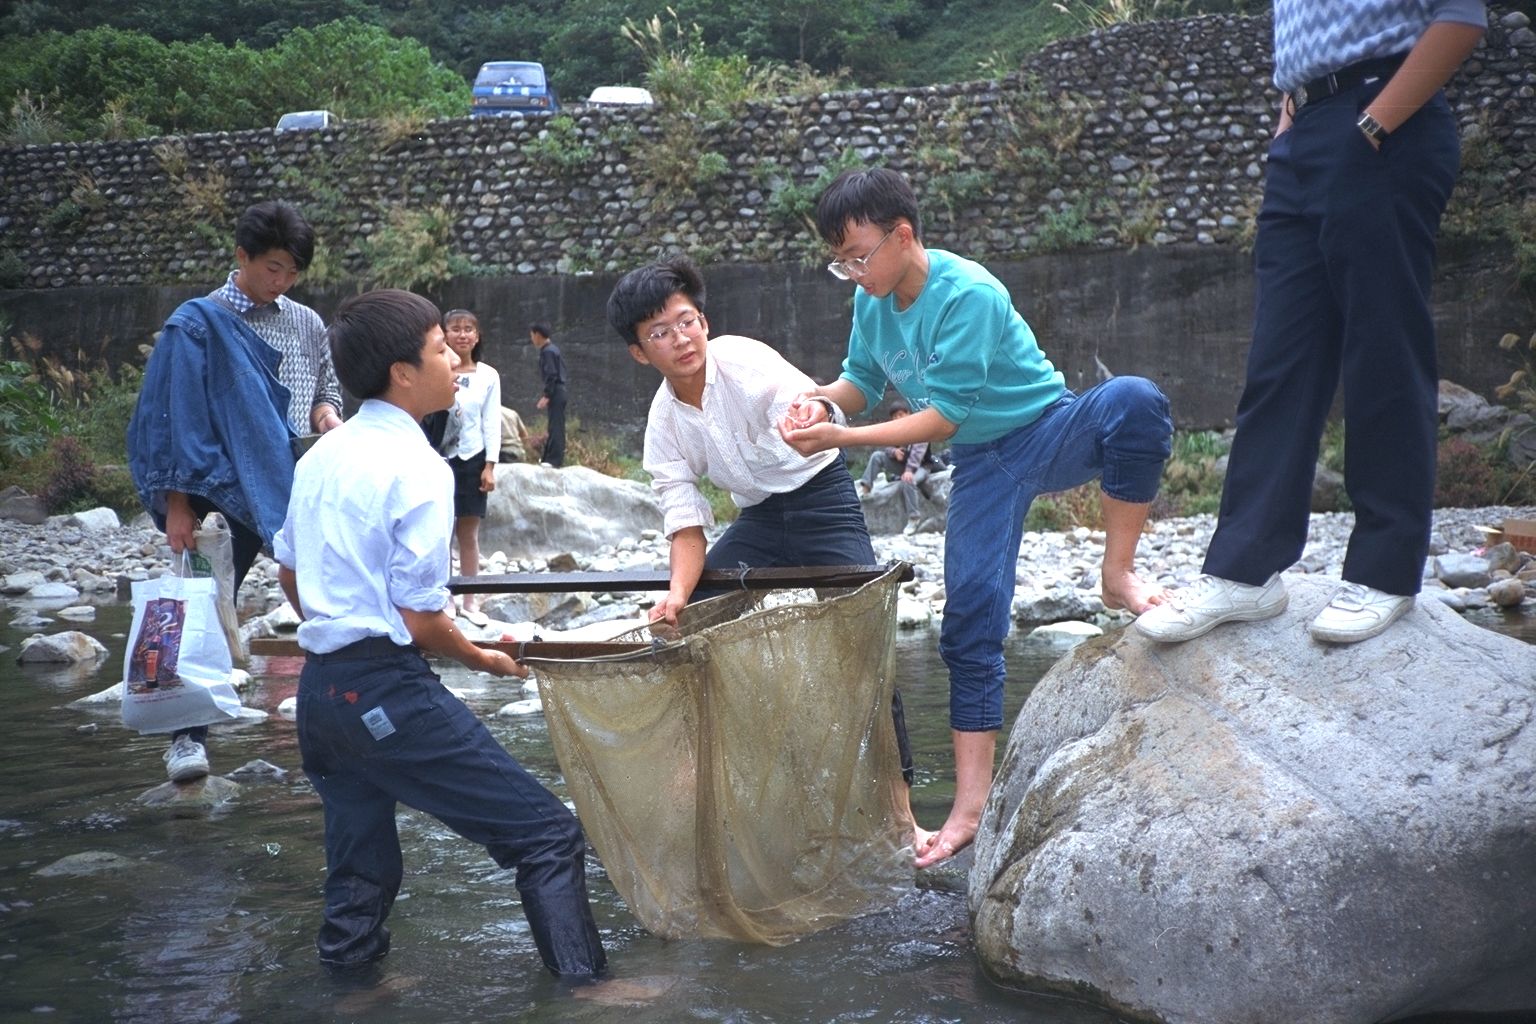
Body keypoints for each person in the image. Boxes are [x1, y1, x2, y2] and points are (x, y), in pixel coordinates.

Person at [780, 167, 1173, 868]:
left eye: (859, 255)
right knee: (971, 618)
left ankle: (1118, 575)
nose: (852, 271)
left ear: (904, 235)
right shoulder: (871, 303)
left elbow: (942, 416)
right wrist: (821, 402)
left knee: (1135, 402)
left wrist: (840, 440)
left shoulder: (970, 293)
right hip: (985, 462)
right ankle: (969, 807)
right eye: (840, 262)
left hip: (1048, 428)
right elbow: (862, 383)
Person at [272, 288, 608, 978]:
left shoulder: (321, 456)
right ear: (402, 371)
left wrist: (340, 632)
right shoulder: (419, 468)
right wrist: (483, 658)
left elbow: (287, 573)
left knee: (361, 863)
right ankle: (585, 993)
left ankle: (353, 991)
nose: (456, 359)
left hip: (322, 695)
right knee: (546, 836)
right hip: (382, 692)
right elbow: (422, 620)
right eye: (438, 348)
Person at [1136, 2, 1487, 647]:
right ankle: (1245, 569)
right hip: (1308, 131)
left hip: (1383, 117)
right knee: (1279, 359)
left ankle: (1384, 571)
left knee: (1382, 349)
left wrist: (1375, 125)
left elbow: (1462, 17)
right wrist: (1287, 130)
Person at [605, 254, 926, 846]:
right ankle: (698, 781)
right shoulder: (663, 425)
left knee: (865, 643)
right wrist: (675, 596)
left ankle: (904, 813)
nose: (680, 339)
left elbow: (814, 408)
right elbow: (686, 526)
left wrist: (809, 415)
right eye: (659, 333)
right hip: (758, 518)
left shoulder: (746, 361)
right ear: (638, 351)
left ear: (702, 320)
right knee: (691, 625)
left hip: (823, 497)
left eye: (686, 322)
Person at [128, 199, 343, 784]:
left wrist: (326, 412)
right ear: (242, 256)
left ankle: (349, 712)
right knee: (199, 611)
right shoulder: (198, 322)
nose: (283, 281)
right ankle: (186, 740)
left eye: (293, 272)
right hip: (219, 491)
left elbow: (327, 388)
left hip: (292, 480)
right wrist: (177, 504)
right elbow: (174, 416)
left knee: (327, 599)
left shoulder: (305, 321)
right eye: (273, 268)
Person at [436, 309, 501, 619]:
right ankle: (445, 597)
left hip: (473, 458)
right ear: (444, 334)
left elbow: (492, 422)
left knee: (468, 535)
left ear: (477, 336)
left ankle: (470, 600)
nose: (462, 335)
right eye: (455, 329)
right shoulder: (435, 369)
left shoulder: (488, 375)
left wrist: (490, 465)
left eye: (468, 329)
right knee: (440, 532)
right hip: (440, 459)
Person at [857, 399, 945, 535]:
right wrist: (894, 452)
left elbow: (918, 453)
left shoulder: (919, 429)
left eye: (901, 414)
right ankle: (866, 489)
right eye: (895, 416)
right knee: (877, 456)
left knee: (908, 480)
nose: (898, 418)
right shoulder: (895, 431)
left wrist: (909, 471)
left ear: (908, 414)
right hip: (902, 466)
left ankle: (914, 518)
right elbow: (886, 447)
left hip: (921, 467)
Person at [530, 322, 568, 467]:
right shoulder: (552, 350)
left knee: (556, 426)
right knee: (554, 426)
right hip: (558, 391)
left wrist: (547, 395)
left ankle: (554, 460)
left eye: (532, 336)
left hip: (556, 391)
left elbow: (552, 374)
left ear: (538, 335)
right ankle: (548, 458)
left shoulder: (548, 352)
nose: (532, 339)